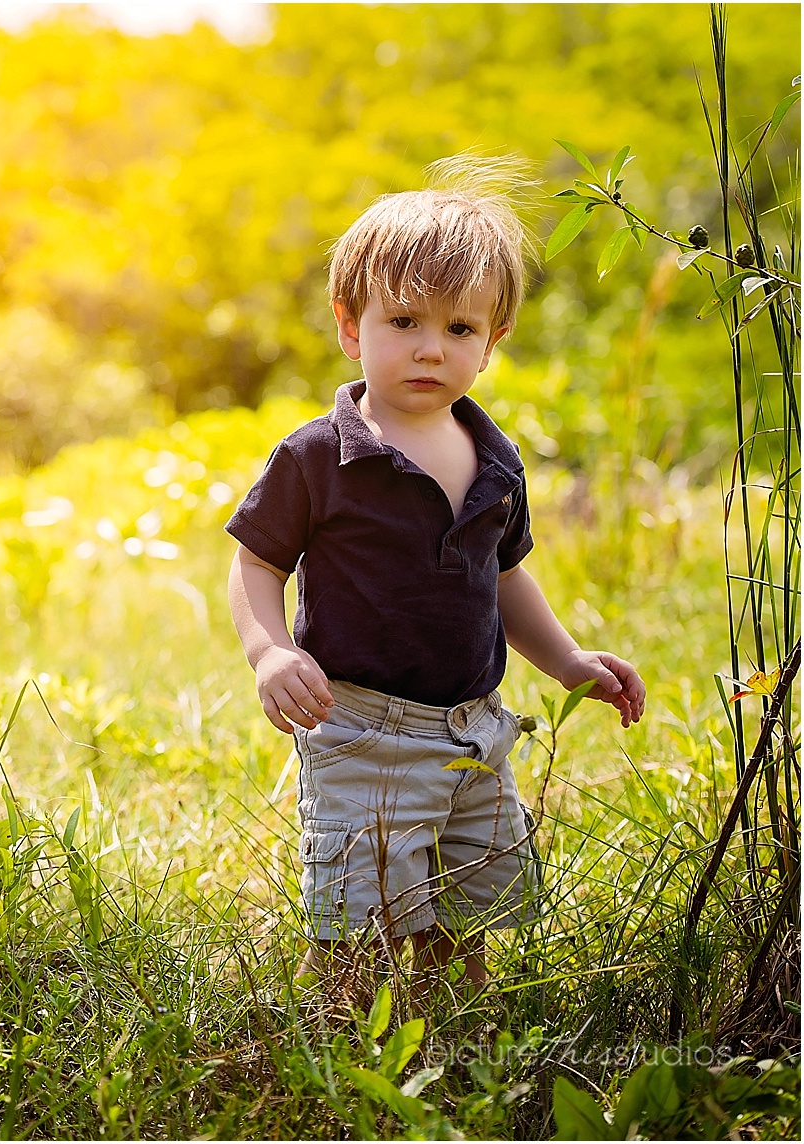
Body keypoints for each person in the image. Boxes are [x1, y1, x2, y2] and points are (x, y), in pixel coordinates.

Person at [224, 159, 645, 994]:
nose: (429, 347)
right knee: (360, 918)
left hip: (474, 732)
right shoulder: (319, 455)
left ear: (493, 342)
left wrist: (565, 663)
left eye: (459, 329)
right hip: (361, 730)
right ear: (351, 328)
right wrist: (268, 653)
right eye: (404, 320)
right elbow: (255, 562)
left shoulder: (496, 458)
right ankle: (344, 1053)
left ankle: (458, 1054)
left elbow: (506, 577)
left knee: (465, 914)